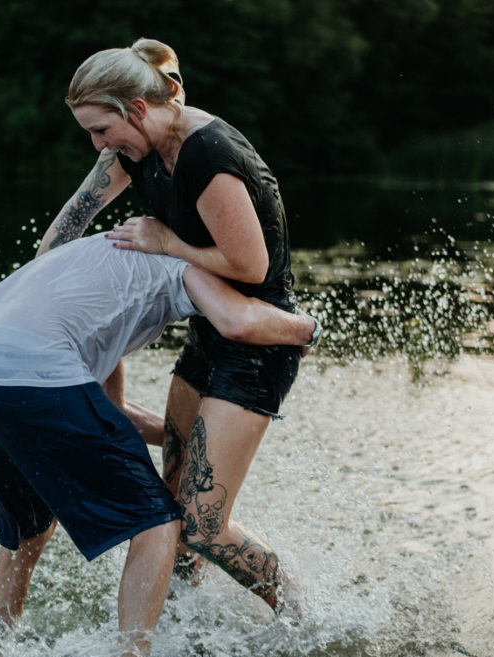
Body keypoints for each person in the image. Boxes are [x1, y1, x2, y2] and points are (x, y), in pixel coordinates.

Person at [0, 235, 319, 657]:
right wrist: (309, 329)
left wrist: (193, 439)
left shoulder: (101, 267)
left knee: (28, 534)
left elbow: (114, 410)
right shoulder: (179, 267)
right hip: (37, 371)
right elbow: (237, 321)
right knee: (158, 522)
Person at [37, 38, 311, 613]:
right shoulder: (131, 150)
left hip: (257, 339)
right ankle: (184, 628)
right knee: (170, 504)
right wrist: (39, 292)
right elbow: (68, 226)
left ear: (137, 109)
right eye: (89, 132)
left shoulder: (207, 153)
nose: (98, 145)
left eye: (101, 130)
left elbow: (249, 265)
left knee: (203, 525)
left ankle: (305, 615)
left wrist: (165, 241)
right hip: (208, 333)